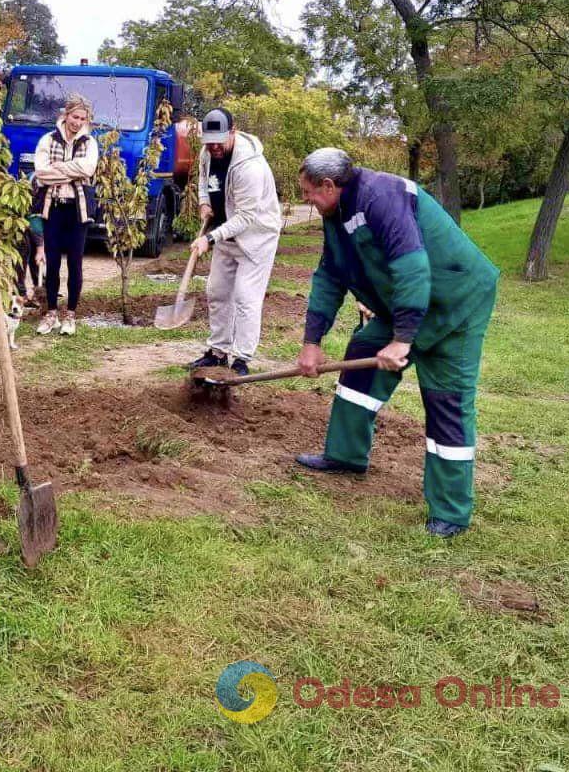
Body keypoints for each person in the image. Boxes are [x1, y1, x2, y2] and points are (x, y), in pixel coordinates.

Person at [293, 147, 499, 538]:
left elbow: (412, 267)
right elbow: (330, 275)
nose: (307, 201)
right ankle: (345, 455)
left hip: (454, 304)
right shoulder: (335, 213)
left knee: (446, 401)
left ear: (328, 184)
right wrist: (311, 342)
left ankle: (450, 512)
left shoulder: (382, 197)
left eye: (308, 193)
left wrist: (403, 340)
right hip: (403, 305)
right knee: (361, 357)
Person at [186, 108, 282, 376]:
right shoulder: (208, 152)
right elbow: (204, 180)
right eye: (209, 141)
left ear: (233, 132)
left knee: (245, 298)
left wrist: (209, 238)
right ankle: (218, 352)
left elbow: (246, 217)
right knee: (216, 291)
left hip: (256, 238)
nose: (214, 147)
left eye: (219, 140)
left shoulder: (250, 166)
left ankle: (241, 359)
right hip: (226, 232)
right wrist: (204, 203)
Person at [33, 93, 98, 336]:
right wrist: (72, 172)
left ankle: (70, 314)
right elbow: (41, 173)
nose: (78, 122)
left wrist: (57, 169)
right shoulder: (48, 140)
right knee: (52, 262)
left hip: (77, 210)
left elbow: (88, 168)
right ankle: (51, 313)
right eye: (74, 116)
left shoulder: (90, 143)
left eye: (82, 118)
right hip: (54, 208)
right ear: (65, 115)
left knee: (75, 263)